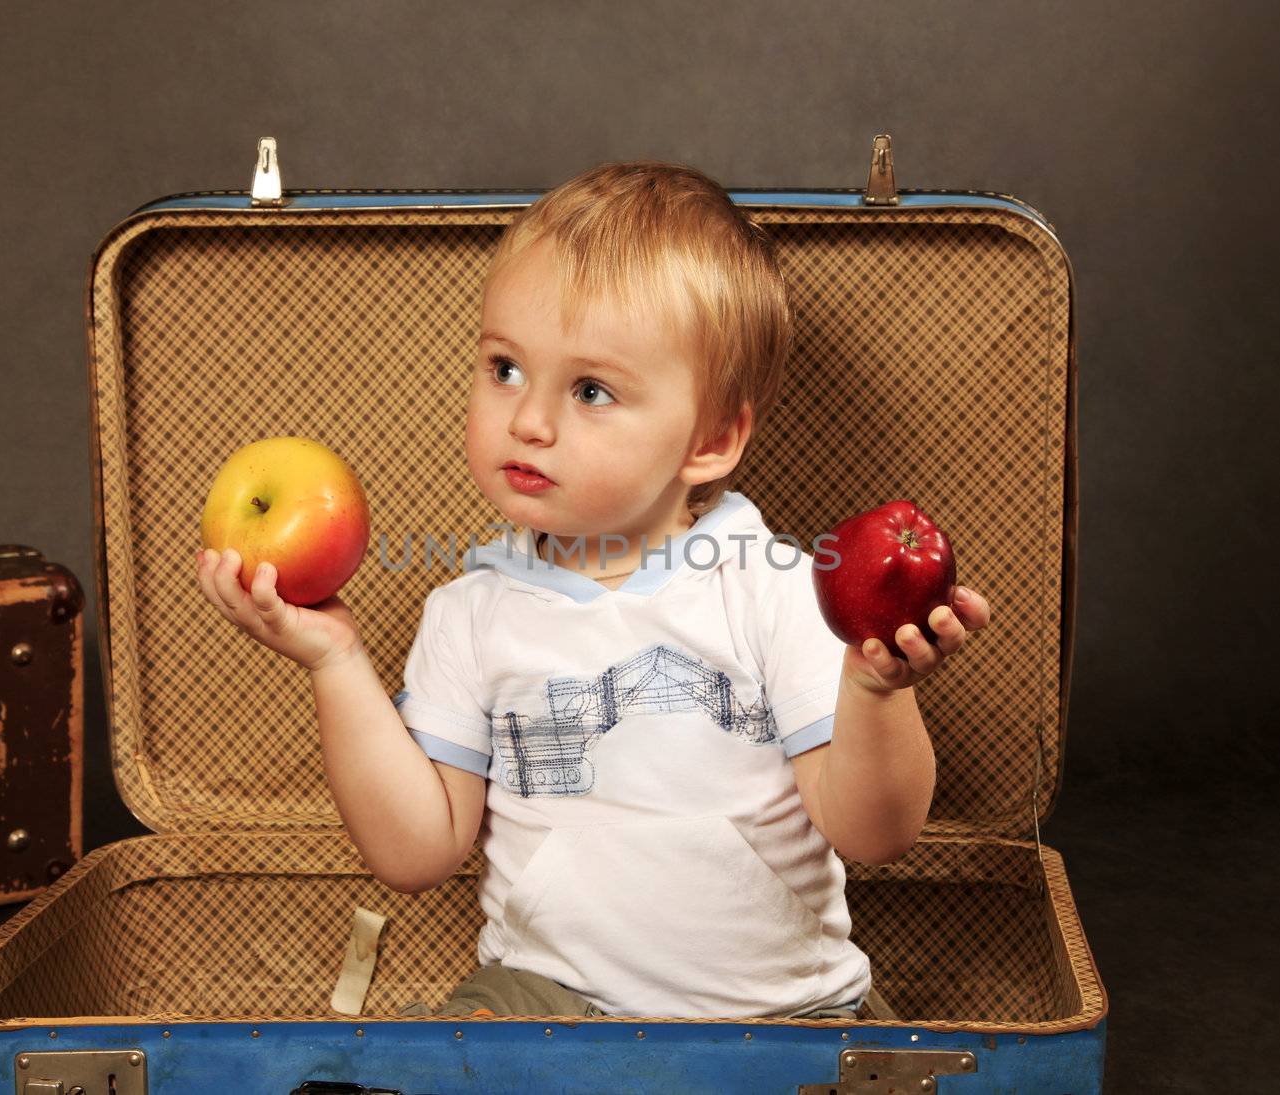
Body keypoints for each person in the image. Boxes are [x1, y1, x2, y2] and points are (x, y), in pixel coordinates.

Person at [193, 160, 991, 1020]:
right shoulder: (470, 614)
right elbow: (416, 851)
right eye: (504, 368)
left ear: (712, 440)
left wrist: (875, 689)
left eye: (591, 390)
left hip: (782, 1016)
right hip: (546, 1003)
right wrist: (335, 663)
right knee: (460, 1049)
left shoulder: (777, 589)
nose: (529, 419)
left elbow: (876, 834)